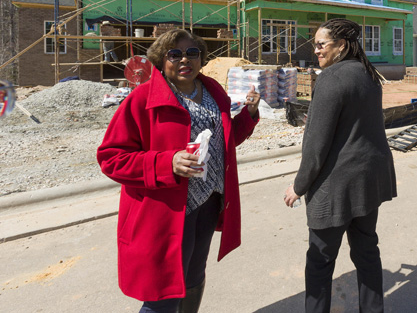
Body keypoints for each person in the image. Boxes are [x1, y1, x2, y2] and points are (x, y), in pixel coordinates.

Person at [97, 29, 260, 313]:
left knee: (194, 278)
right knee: (165, 292)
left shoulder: (212, 92)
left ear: (201, 58)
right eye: (175, 54)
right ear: (161, 60)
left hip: (208, 203)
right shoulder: (142, 99)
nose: (185, 60)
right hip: (168, 212)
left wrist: (249, 116)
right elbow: (111, 158)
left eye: (192, 53)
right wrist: (166, 163)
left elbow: (222, 143)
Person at [284, 18, 397, 313]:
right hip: (369, 181)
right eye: (315, 45)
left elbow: (316, 146)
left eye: (321, 45)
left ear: (341, 46)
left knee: (320, 261)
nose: (316, 51)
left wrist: (298, 186)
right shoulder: (368, 74)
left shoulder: (332, 78)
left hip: (337, 186)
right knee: (367, 252)